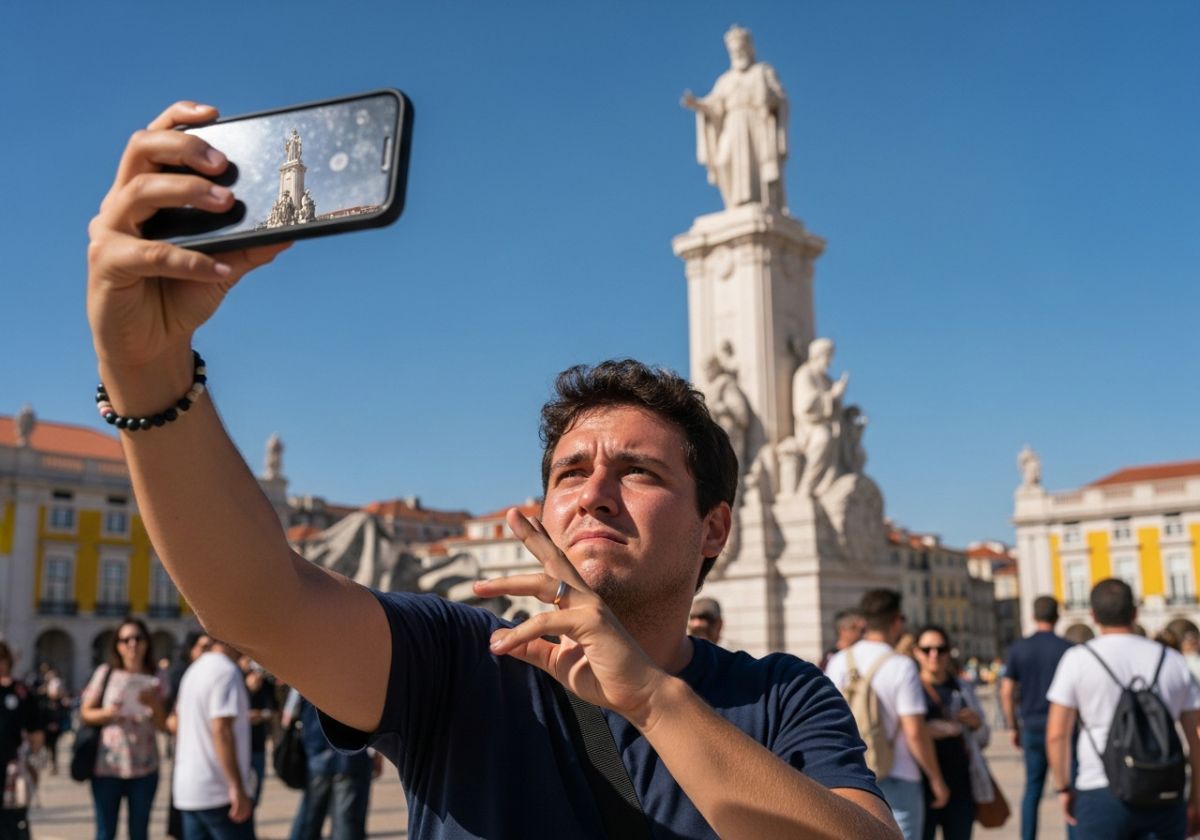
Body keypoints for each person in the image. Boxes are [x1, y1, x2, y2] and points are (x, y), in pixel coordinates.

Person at [85, 100, 900, 840]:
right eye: (571, 471)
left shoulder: (783, 697)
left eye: (640, 472)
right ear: (542, 509)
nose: (595, 493)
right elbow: (255, 602)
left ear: (715, 525)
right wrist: (148, 373)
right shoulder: (465, 662)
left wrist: (651, 698)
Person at [1046, 579, 1200, 838]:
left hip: (1099, 786)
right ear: (1135, 612)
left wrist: (1063, 788)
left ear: (1093, 615)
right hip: (1164, 787)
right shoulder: (1172, 660)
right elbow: (1196, 736)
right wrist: (1196, 797)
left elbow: (1057, 734)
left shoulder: (1078, 659)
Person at [826, 590, 950, 840]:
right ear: (896, 621)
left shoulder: (838, 661)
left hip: (848, 772)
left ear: (863, 622)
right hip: (898, 773)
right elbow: (914, 732)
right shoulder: (901, 665)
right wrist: (937, 779)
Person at [79, 618, 169, 840]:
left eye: (138, 638)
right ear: (117, 645)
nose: (132, 644)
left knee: (139, 832)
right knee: (105, 832)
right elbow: (85, 713)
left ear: (146, 643)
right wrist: (108, 713)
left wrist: (154, 704)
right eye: (125, 639)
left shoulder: (157, 677)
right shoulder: (106, 673)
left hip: (145, 766)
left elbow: (164, 725)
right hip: (107, 765)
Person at [681, 25, 788, 209]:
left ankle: (761, 201)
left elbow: (780, 98)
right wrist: (697, 104)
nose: (738, 53)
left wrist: (770, 100)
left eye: (740, 49)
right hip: (733, 123)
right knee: (723, 161)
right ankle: (733, 204)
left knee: (758, 166)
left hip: (756, 123)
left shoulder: (762, 71)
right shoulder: (725, 80)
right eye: (734, 51)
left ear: (748, 48)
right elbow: (715, 105)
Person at [1000, 595, 1072, 840]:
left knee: (1032, 789)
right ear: (1057, 616)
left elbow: (1006, 691)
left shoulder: (1019, 648)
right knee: (1069, 788)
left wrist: (1012, 725)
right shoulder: (1068, 649)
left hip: (1031, 725)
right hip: (1064, 729)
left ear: (1033, 616)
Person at [171, 638, 254, 839]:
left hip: (189, 790)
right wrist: (237, 787)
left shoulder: (194, 670)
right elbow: (221, 731)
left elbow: (178, 722)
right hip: (217, 791)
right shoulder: (226, 671)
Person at [912, 625, 989, 840]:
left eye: (941, 649)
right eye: (927, 650)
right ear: (916, 652)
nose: (934, 655)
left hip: (961, 782)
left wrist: (976, 724)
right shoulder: (910, 689)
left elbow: (984, 739)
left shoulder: (963, 688)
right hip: (921, 784)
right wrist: (927, 731)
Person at [286, 692, 376, 840]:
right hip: (352, 754)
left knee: (310, 819)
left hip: (318, 753)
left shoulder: (307, 673)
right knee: (347, 823)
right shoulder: (359, 673)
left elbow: (289, 714)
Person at [0, 641, 43, 840]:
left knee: (14, 821)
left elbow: (36, 733)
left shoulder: (21, 692)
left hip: (12, 769)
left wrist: (30, 763)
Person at [240, 658, 276, 808]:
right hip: (239, 747)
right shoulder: (235, 680)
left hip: (257, 745)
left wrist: (260, 715)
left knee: (255, 794)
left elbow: (273, 712)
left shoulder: (264, 683)